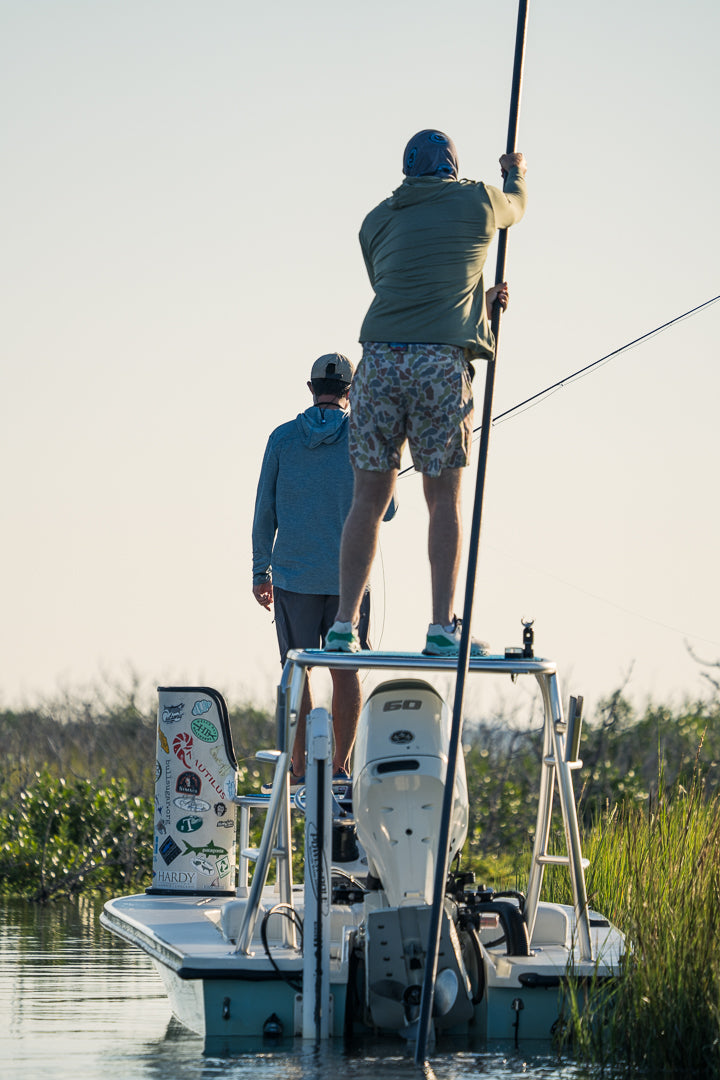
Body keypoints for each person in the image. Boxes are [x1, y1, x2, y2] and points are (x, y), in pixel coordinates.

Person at [325, 129, 527, 656]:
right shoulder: (480, 199)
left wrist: (471, 305)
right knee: (443, 500)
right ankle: (442, 627)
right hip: (440, 364)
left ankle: (344, 624)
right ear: (453, 169)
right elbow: (517, 208)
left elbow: (397, 286)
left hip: (380, 359)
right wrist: (514, 172)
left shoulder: (376, 220)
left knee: (367, 498)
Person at [252, 353, 373, 787]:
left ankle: (299, 769)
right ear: (351, 390)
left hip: (292, 577)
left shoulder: (282, 438)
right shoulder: (365, 435)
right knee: (346, 670)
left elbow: (264, 509)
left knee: (297, 670)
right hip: (349, 581)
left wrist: (259, 570)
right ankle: (340, 770)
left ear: (310, 388)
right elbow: (389, 508)